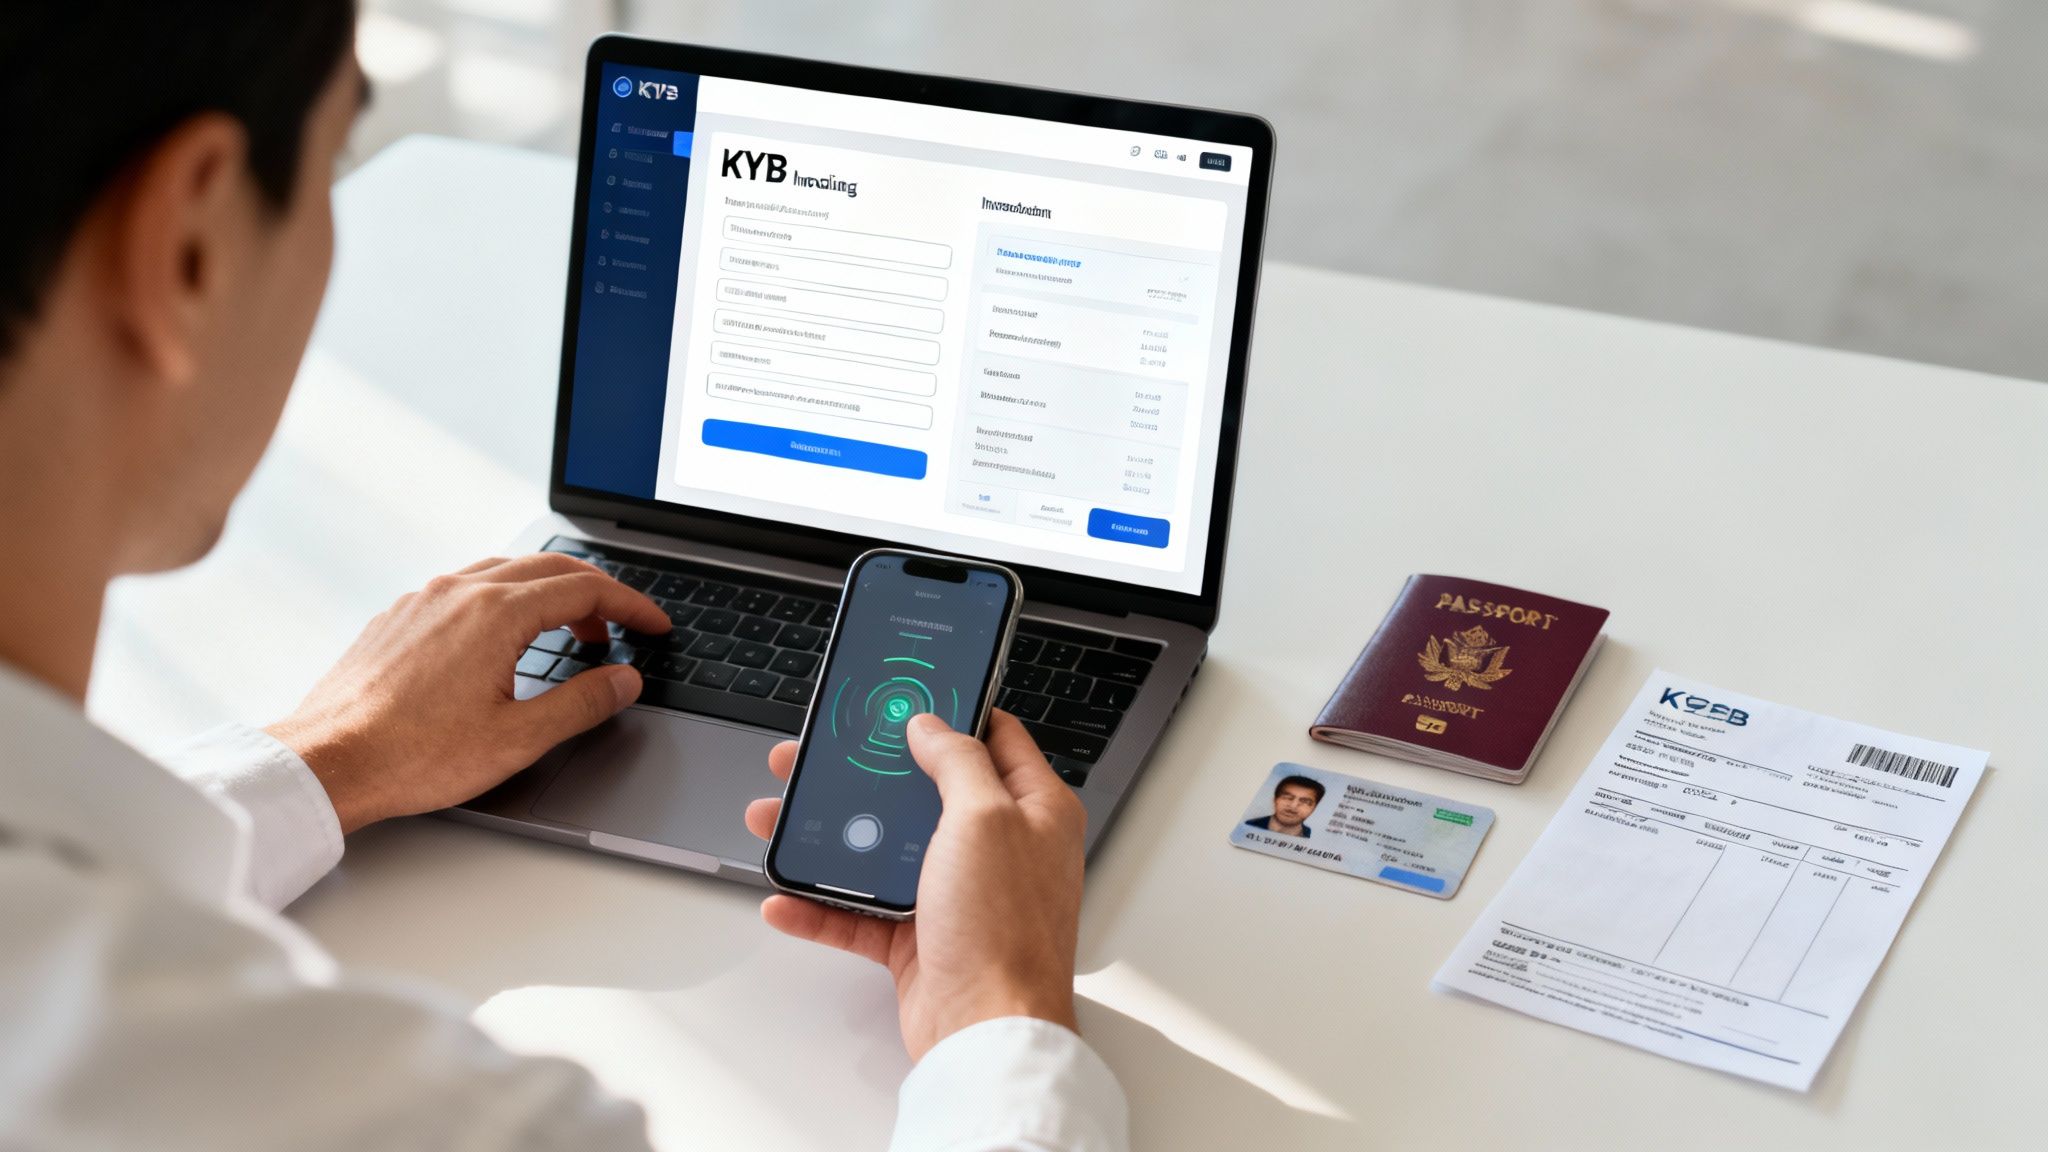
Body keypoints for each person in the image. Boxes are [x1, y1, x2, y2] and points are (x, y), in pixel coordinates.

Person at [0, 5, 1125, 1149]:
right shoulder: (393, 1112)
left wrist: (321, 763)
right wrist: (1000, 1017)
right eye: (340, 157)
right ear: (185, 243)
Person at [1243, 774, 1325, 838]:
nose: (1293, 806)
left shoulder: (1313, 837)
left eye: (1305, 802)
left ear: (1314, 808)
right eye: (1288, 798)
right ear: (1275, 800)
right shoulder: (1248, 826)